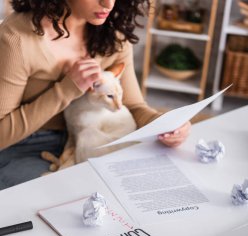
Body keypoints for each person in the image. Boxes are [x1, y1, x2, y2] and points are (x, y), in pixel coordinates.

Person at [0, 0, 191, 191]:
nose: (108, 4)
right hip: (26, 145)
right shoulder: (16, 39)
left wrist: (165, 124)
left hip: (92, 137)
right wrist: (67, 89)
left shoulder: (114, 35)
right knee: (65, 198)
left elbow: (133, 107)